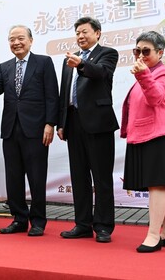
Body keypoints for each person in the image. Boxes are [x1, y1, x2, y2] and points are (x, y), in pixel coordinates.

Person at [0, 25, 59, 237]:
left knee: (37, 177)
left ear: (30, 40)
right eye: (12, 39)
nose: (16, 43)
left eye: (20, 38)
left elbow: (52, 95)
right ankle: (19, 219)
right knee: (13, 178)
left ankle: (38, 221)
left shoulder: (43, 62)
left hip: (36, 129)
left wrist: (50, 123)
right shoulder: (5, 67)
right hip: (11, 129)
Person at [57, 17, 119, 243]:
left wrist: (81, 65)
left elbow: (100, 73)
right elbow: (65, 94)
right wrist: (61, 123)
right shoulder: (69, 60)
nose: (80, 36)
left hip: (98, 123)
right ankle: (82, 224)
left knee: (101, 177)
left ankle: (103, 226)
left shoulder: (108, 54)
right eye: (77, 33)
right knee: (79, 177)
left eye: (84, 32)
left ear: (98, 33)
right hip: (73, 124)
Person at [121, 31, 165, 253]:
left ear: (160, 52)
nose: (141, 55)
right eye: (137, 51)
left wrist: (143, 75)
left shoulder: (161, 74)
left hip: (158, 135)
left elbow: (155, 98)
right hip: (150, 134)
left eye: (146, 51)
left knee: (158, 185)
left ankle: (154, 235)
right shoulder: (148, 72)